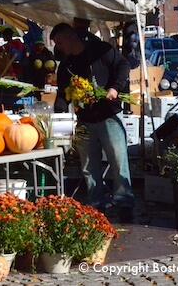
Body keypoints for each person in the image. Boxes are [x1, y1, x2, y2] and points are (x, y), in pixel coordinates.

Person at [50, 22, 135, 223]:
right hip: (85, 119)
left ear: (70, 38)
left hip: (109, 116)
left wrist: (115, 88)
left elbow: (123, 65)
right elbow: (63, 95)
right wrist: (56, 115)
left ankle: (125, 203)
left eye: (60, 42)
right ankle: (96, 204)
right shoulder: (66, 65)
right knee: (88, 165)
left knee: (118, 161)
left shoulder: (101, 50)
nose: (58, 47)